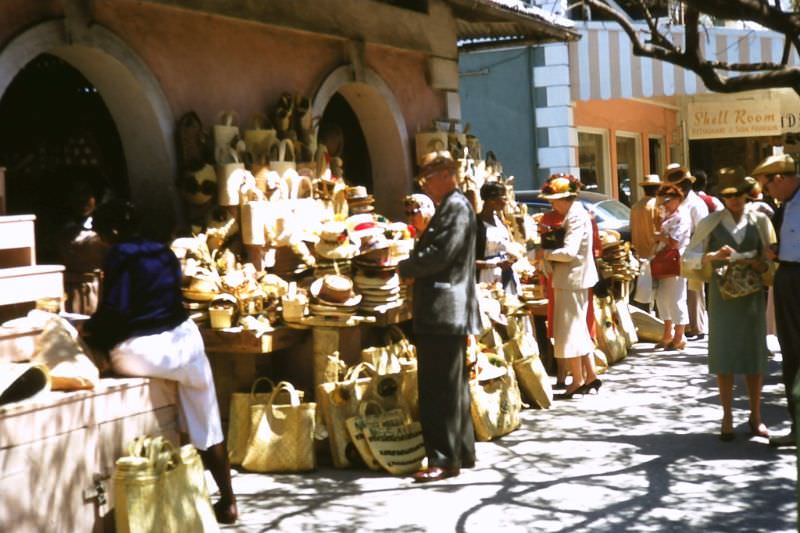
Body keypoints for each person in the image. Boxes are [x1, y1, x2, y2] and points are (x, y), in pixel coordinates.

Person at [84, 199, 238, 523]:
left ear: (112, 231)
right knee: (207, 421)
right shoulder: (163, 252)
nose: (100, 242)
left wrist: (91, 335)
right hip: (185, 341)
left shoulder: (119, 255)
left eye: (100, 235)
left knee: (111, 356)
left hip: (147, 351)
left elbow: (116, 311)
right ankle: (228, 499)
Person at [399, 151, 480, 482]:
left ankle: (444, 459)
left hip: (443, 309)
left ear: (447, 174)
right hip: (448, 310)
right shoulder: (456, 205)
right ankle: (461, 450)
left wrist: (406, 267)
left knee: (438, 389)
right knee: (452, 386)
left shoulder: (455, 207)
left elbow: (441, 254)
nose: (426, 185)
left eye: (428, 178)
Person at [684, 168, 775, 441]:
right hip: (722, 297)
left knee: (753, 355)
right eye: (728, 195)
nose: (734, 200)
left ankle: (755, 416)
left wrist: (756, 262)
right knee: (724, 355)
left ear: (747, 195)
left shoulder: (760, 221)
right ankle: (727, 415)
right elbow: (689, 256)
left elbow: (771, 259)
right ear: (722, 197)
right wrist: (711, 256)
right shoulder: (711, 222)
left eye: (738, 195)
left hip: (751, 295)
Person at [535, 174, 601, 399]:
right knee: (579, 329)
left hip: (571, 279)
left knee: (570, 331)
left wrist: (545, 254)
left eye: (553, 201)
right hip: (576, 279)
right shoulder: (577, 214)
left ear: (564, 199)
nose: (552, 205)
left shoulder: (575, 217)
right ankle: (590, 375)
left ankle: (578, 380)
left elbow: (569, 252)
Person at [751, 153, 800, 447]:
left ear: (779, 179)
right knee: (792, 352)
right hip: (788, 277)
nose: (767, 193)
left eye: (767, 187)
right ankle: (797, 425)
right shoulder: (785, 206)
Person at [664, 165, 709, 340]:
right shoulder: (679, 202)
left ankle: (696, 327)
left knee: (694, 289)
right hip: (682, 251)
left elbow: (703, 230)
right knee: (683, 291)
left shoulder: (696, 204)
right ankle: (687, 325)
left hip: (694, 248)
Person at [652, 183, 691, 350]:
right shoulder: (666, 216)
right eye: (662, 200)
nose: (665, 203)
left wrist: (658, 236)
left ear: (677, 199)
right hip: (663, 260)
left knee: (676, 298)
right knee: (662, 297)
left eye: (668, 200)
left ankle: (679, 336)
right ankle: (667, 334)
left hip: (676, 260)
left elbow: (674, 242)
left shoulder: (681, 217)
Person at [475, 181, 519, 294]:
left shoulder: (499, 221)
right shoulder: (475, 225)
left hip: (505, 275)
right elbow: (467, 261)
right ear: (491, 200)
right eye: (503, 197)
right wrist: (495, 264)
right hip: (486, 278)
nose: (506, 201)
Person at [630, 174, 661, 310]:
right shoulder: (657, 207)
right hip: (654, 253)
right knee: (657, 293)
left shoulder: (635, 207)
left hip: (638, 254)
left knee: (642, 293)